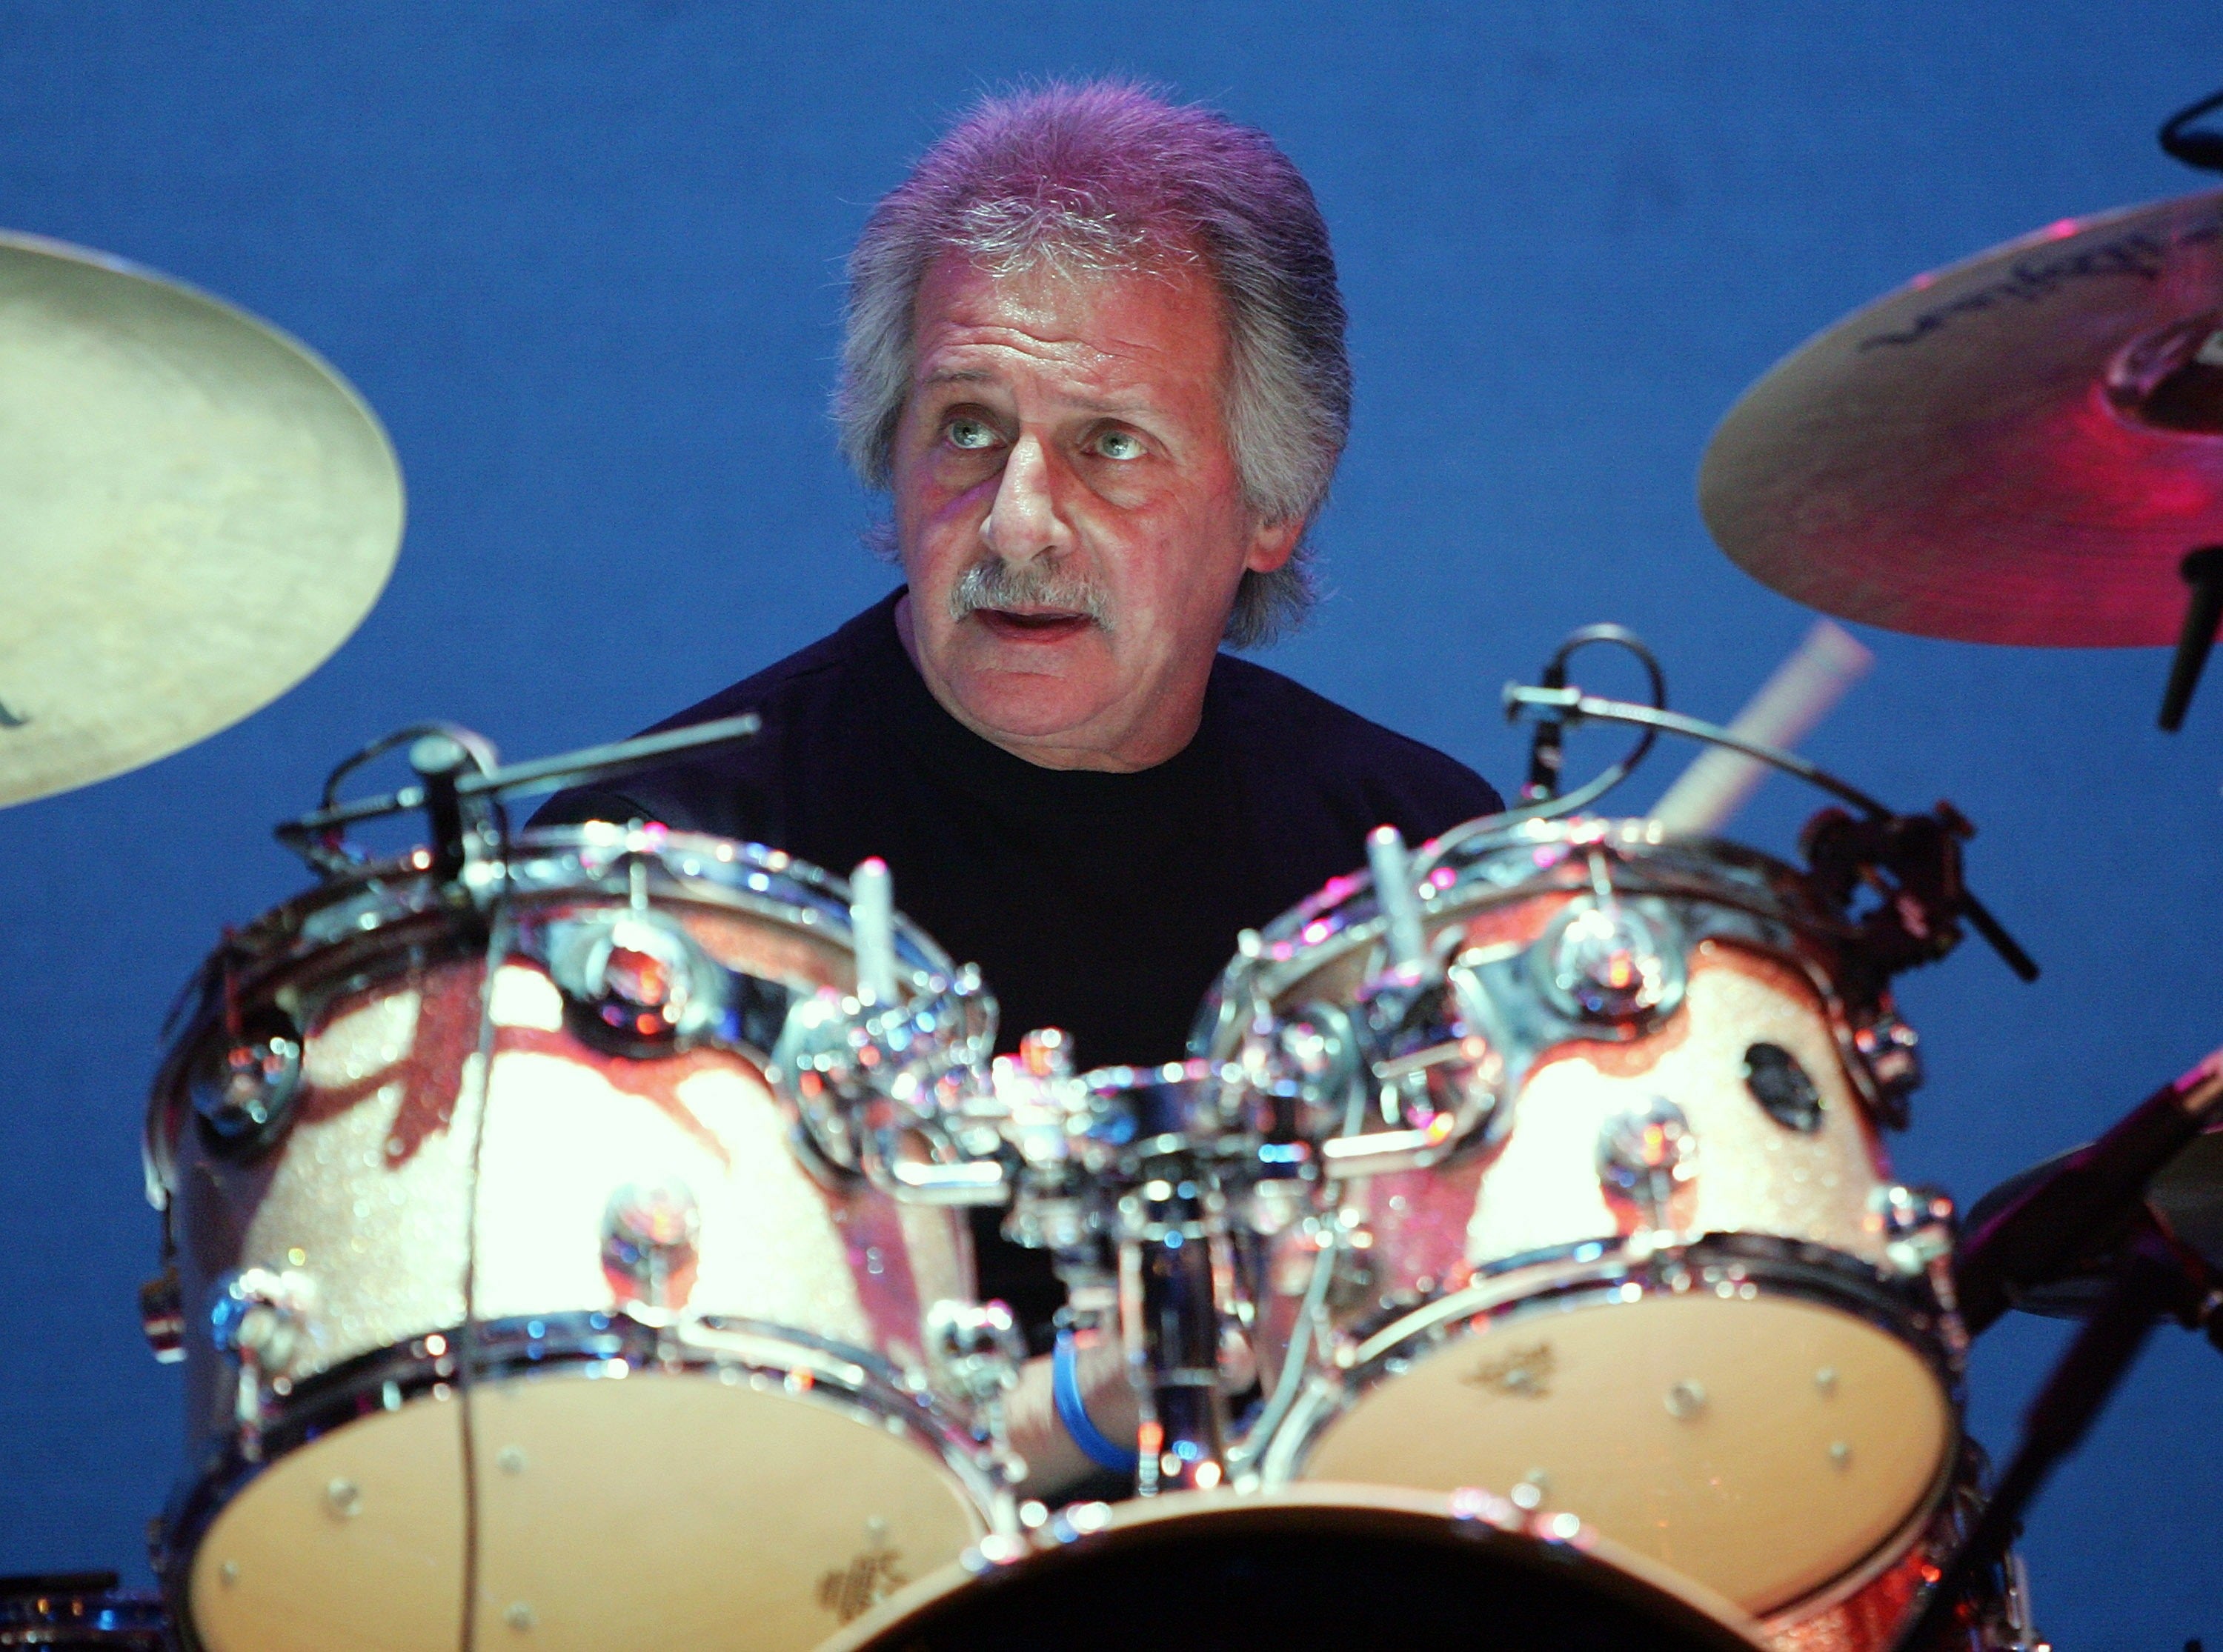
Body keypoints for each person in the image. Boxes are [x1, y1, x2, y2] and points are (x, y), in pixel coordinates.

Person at [536, 79, 1501, 1495]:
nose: (1019, 520)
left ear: (1274, 504)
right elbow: (629, 1501)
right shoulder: (662, 876)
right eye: (968, 427)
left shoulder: (1416, 870)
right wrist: (1083, 1407)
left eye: (1112, 444)